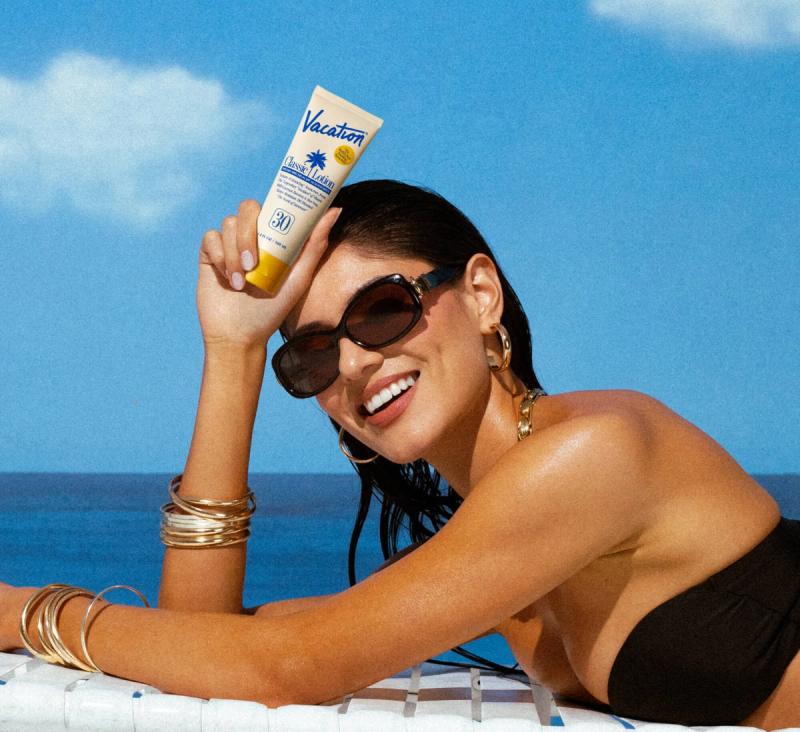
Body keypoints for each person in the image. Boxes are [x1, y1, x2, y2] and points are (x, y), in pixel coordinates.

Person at [1, 180, 798, 728]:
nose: (350, 365)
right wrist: (235, 350)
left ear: (481, 296)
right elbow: (201, 636)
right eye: (310, 354)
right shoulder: (495, 529)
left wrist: (20, 612)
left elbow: (290, 667)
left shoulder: (593, 456)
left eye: (383, 310)